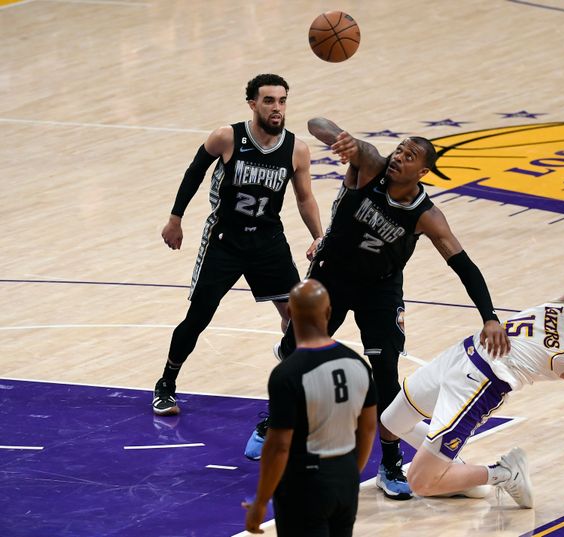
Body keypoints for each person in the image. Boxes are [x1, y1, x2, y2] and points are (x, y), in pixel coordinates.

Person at [244, 117, 511, 502]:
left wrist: (489, 316)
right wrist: (342, 140)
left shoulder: (427, 216)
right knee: (292, 355)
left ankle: (390, 463)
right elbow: (316, 123)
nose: (400, 156)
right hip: (331, 278)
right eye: (400, 148)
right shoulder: (370, 166)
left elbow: (463, 265)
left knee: (385, 374)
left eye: (410, 155)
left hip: (379, 289)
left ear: (423, 172)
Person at [380, 251, 564, 507]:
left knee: (420, 483)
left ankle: (503, 473)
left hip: (481, 384)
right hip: (462, 352)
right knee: (391, 421)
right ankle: (451, 468)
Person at [152, 74, 324, 416]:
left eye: (282, 101)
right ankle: (166, 383)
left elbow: (305, 198)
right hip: (224, 242)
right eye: (269, 101)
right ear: (252, 104)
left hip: (268, 242)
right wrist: (175, 219)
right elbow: (194, 173)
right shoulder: (227, 137)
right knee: (198, 317)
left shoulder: (296, 149)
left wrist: (319, 236)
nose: (277, 108)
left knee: (297, 315)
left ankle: (292, 377)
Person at [243, 279, 377, 536]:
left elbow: (279, 445)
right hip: (345, 479)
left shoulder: (288, 373)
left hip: (305, 485)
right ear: (328, 312)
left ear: (290, 314)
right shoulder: (358, 364)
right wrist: (348, 476)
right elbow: (368, 429)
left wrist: (260, 502)